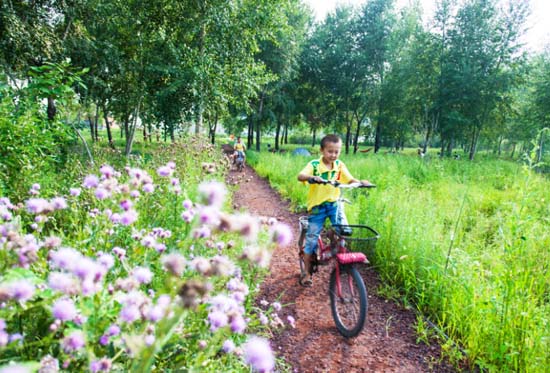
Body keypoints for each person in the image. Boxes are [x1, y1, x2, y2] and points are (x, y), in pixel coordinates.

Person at [297, 134, 374, 287]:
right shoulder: (314, 165)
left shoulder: (339, 165)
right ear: (322, 150)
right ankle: (306, 272)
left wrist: (360, 182)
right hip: (318, 208)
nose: (333, 155)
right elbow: (300, 176)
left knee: (344, 231)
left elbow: (350, 180)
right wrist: (312, 177)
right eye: (330, 151)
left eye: (336, 152)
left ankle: (334, 249)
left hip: (334, 205)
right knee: (311, 240)